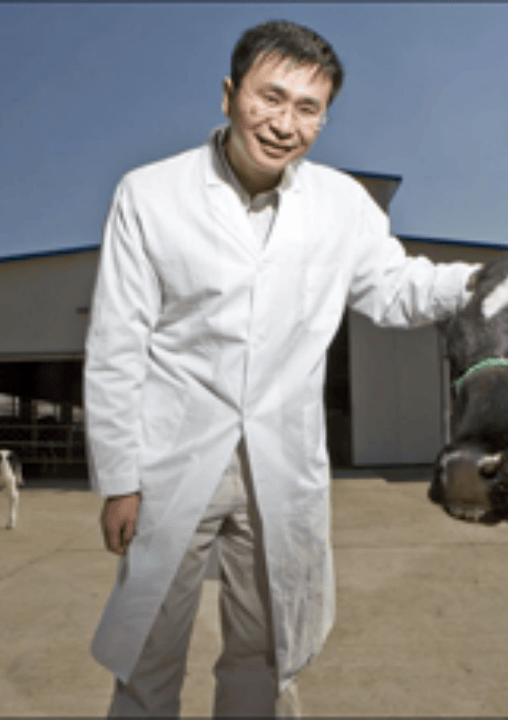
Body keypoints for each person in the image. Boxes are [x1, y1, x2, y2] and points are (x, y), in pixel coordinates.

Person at [85, 19, 480, 718]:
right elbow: (118, 344)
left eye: (308, 108)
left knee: (267, 654)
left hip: (282, 463)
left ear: (324, 118)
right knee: (149, 652)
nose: (284, 124)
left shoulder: (341, 204)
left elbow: (397, 289)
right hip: (173, 460)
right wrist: (119, 480)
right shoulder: (149, 195)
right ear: (229, 94)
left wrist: (497, 280)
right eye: (270, 97)